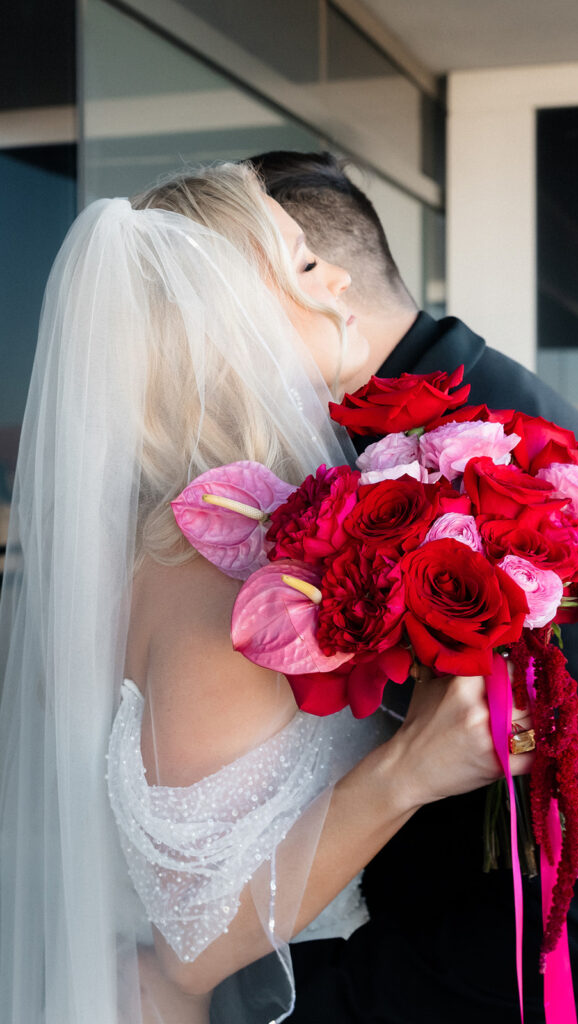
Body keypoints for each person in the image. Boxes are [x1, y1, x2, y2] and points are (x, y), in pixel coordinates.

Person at [0, 163, 536, 1024]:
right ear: (226, 322)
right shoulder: (214, 580)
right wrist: (406, 771)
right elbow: (190, 946)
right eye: (295, 263)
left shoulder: (211, 533)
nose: (333, 282)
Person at [247, 150, 578, 1024]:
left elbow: (576, 949)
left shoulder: (492, 486)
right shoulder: (447, 420)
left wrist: (256, 1004)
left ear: (316, 279)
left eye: (214, 316)